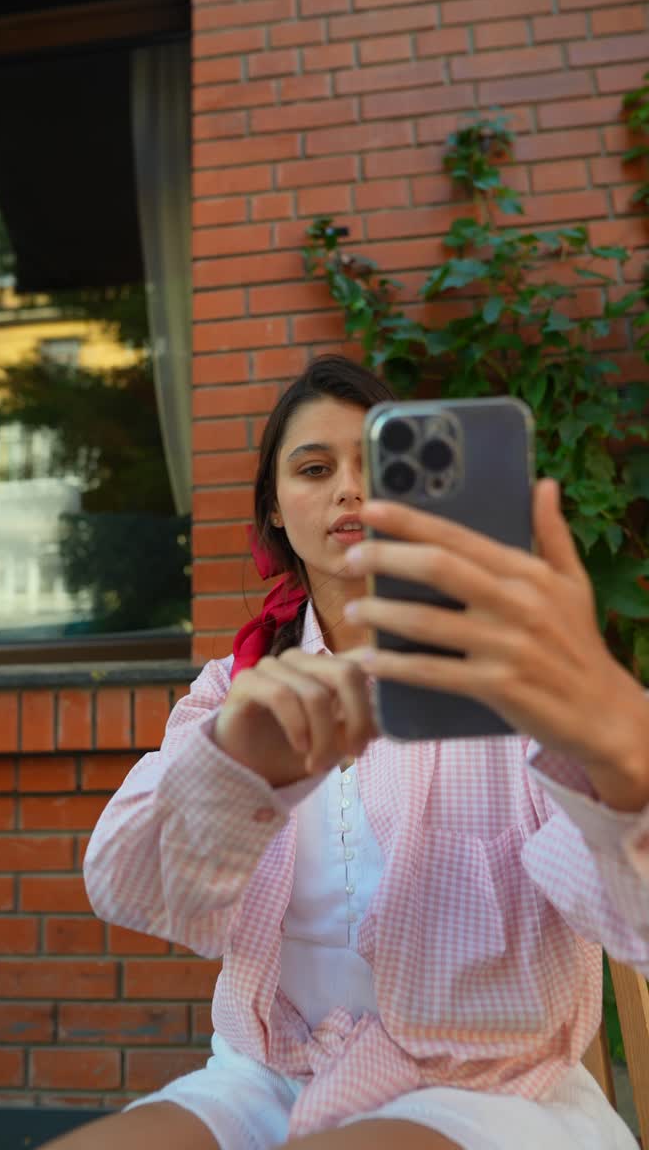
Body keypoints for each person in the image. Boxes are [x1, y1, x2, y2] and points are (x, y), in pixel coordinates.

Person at [47, 355, 649, 1150]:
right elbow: (127, 883)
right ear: (275, 506)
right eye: (314, 467)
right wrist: (236, 768)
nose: (348, 490)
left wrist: (620, 757)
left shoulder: (512, 682)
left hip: (492, 1087)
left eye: (377, 465)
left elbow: (630, 913)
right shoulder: (240, 688)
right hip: (268, 1078)